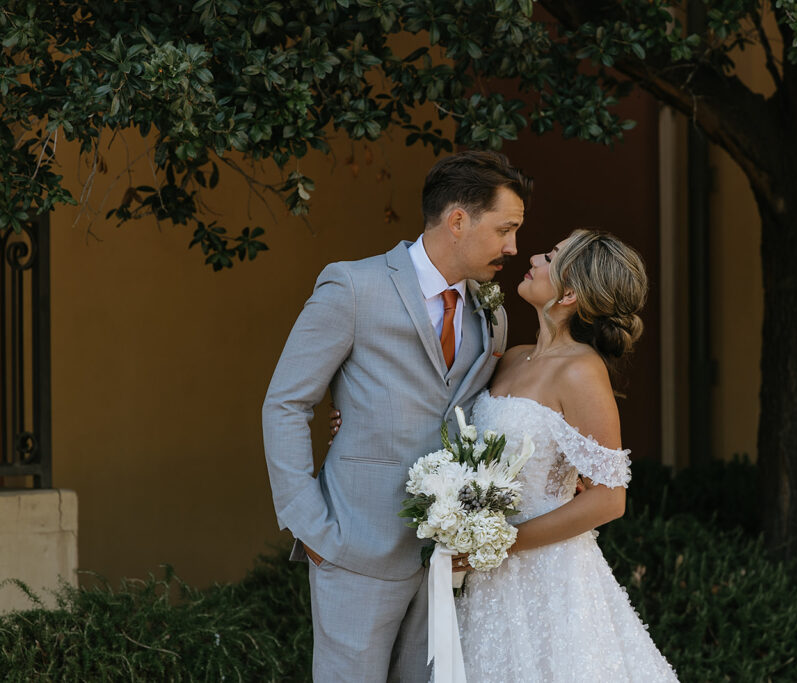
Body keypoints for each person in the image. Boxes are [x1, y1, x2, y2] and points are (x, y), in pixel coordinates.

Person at [261, 150, 532, 682]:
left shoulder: (492, 311)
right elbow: (286, 403)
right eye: (506, 229)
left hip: (444, 562)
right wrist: (311, 527)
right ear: (458, 220)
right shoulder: (352, 287)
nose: (513, 247)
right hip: (354, 549)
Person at [451, 229, 678, 680]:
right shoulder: (512, 356)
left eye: (550, 257)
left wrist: (501, 545)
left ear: (570, 293)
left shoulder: (581, 371)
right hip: (485, 580)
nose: (534, 256)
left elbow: (609, 499)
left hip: (548, 578)